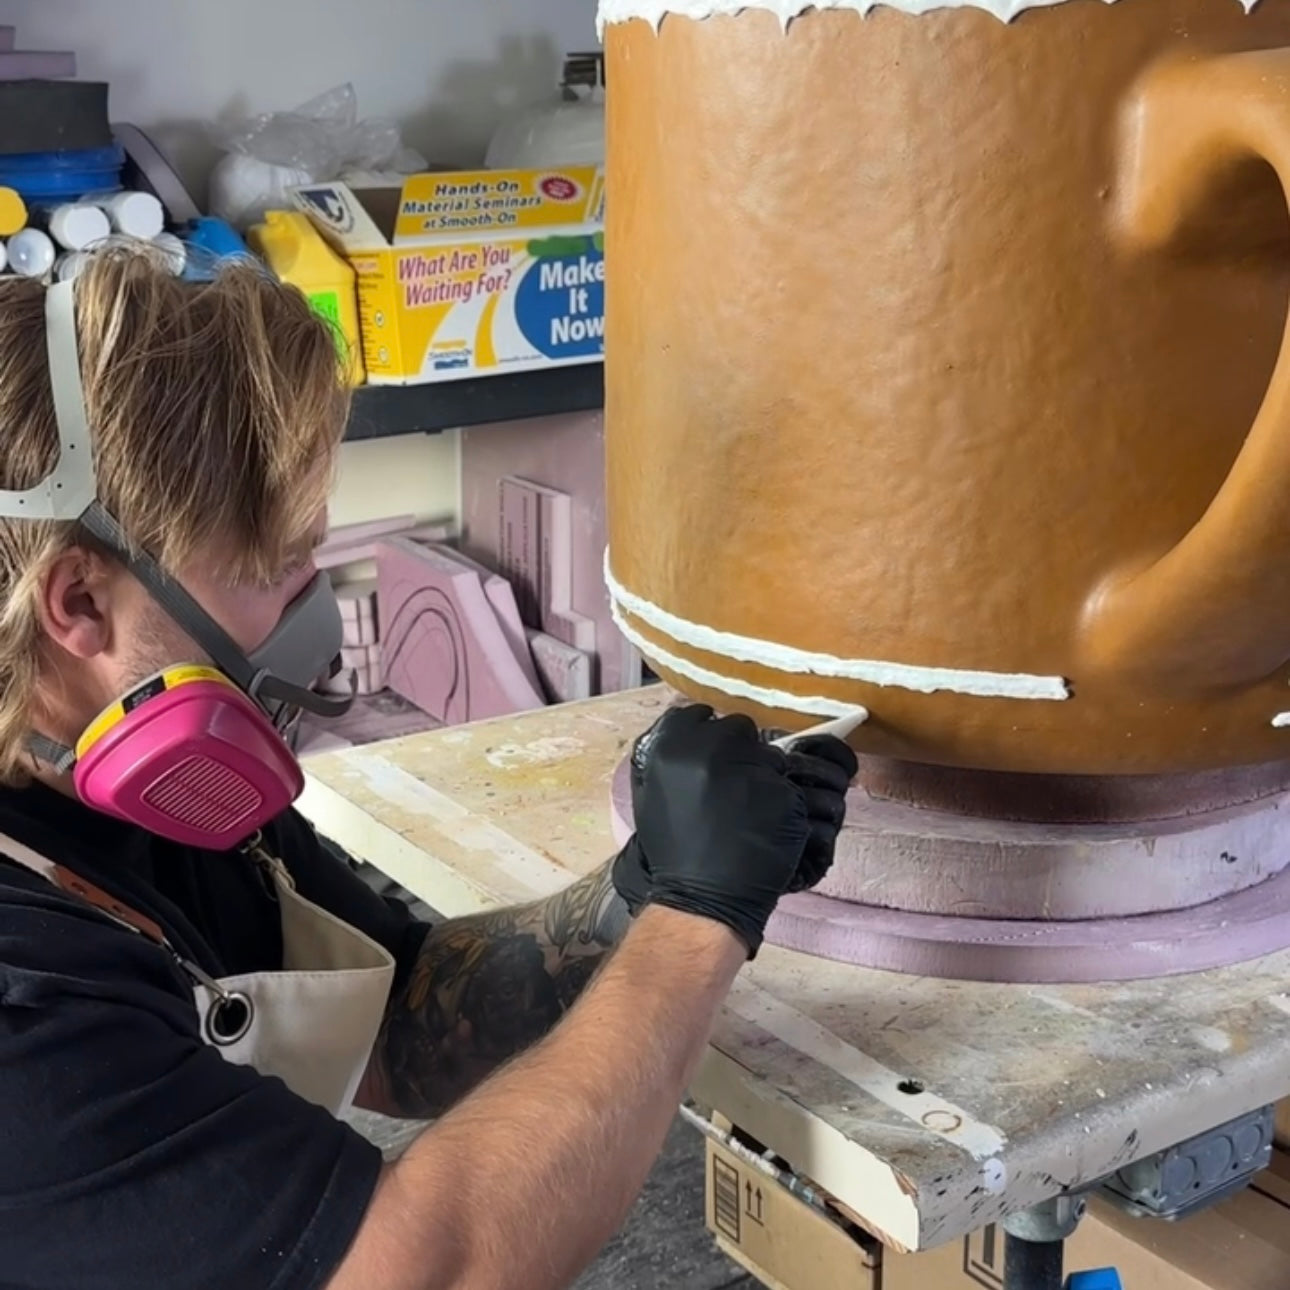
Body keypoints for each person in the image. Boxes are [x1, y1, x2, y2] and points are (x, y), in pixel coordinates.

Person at [0, 249, 858, 1290]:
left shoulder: (142, 776)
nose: (312, 617)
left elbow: (402, 1022)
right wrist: (699, 918)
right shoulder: (26, 997)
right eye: (275, 572)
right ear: (79, 603)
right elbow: (431, 1270)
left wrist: (638, 892)